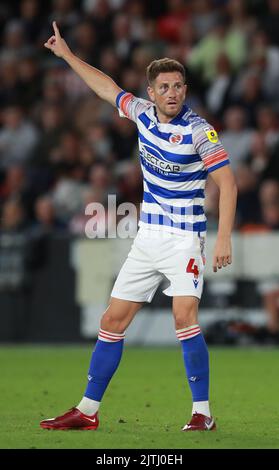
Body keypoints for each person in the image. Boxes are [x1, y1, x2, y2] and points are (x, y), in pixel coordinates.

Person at [40, 21, 237, 432]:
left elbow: (228, 182)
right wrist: (67, 55)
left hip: (185, 238)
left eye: (178, 86)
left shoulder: (199, 131)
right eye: (164, 87)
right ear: (151, 92)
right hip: (147, 238)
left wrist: (222, 238)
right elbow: (105, 86)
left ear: (185, 90)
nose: (172, 93)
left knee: (185, 317)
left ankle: (202, 413)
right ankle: (87, 411)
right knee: (112, 321)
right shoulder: (142, 114)